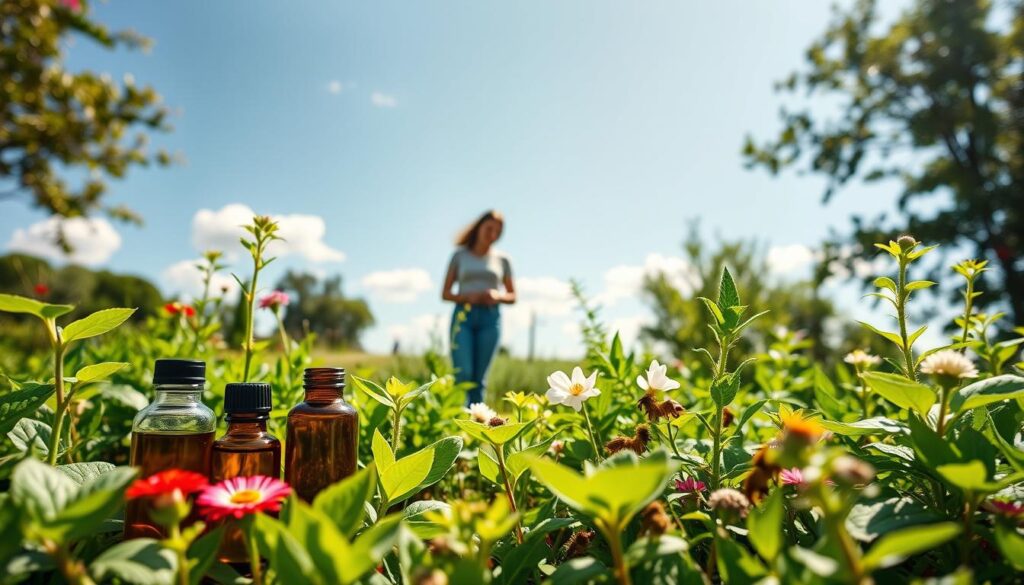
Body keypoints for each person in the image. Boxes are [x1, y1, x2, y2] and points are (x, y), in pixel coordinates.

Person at [442, 210, 516, 405]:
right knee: (463, 373)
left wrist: (497, 295)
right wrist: (467, 296)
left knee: (479, 378)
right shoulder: (459, 256)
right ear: (479, 227)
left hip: (490, 319)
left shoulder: (503, 260)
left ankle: (475, 427)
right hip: (463, 316)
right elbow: (445, 293)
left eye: (498, 232)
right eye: (489, 228)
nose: (493, 235)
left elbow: (512, 296)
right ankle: (456, 420)